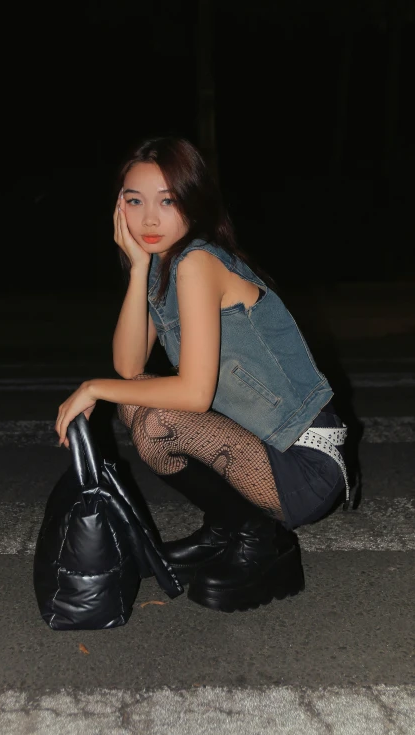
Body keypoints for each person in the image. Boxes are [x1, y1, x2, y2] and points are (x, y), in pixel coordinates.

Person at [55, 135, 348, 613]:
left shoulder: (197, 262)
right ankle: (227, 527)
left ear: (194, 202)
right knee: (135, 400)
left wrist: (91, 389)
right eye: (134, 201)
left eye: (167, 201)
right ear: (118, 209)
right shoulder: (163, 266)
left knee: (159, 420)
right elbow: (129, 368)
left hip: (304, 462)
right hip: (261, 451)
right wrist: (137, 270)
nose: (148, 218)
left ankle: (259, 539)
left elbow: (192, 394)